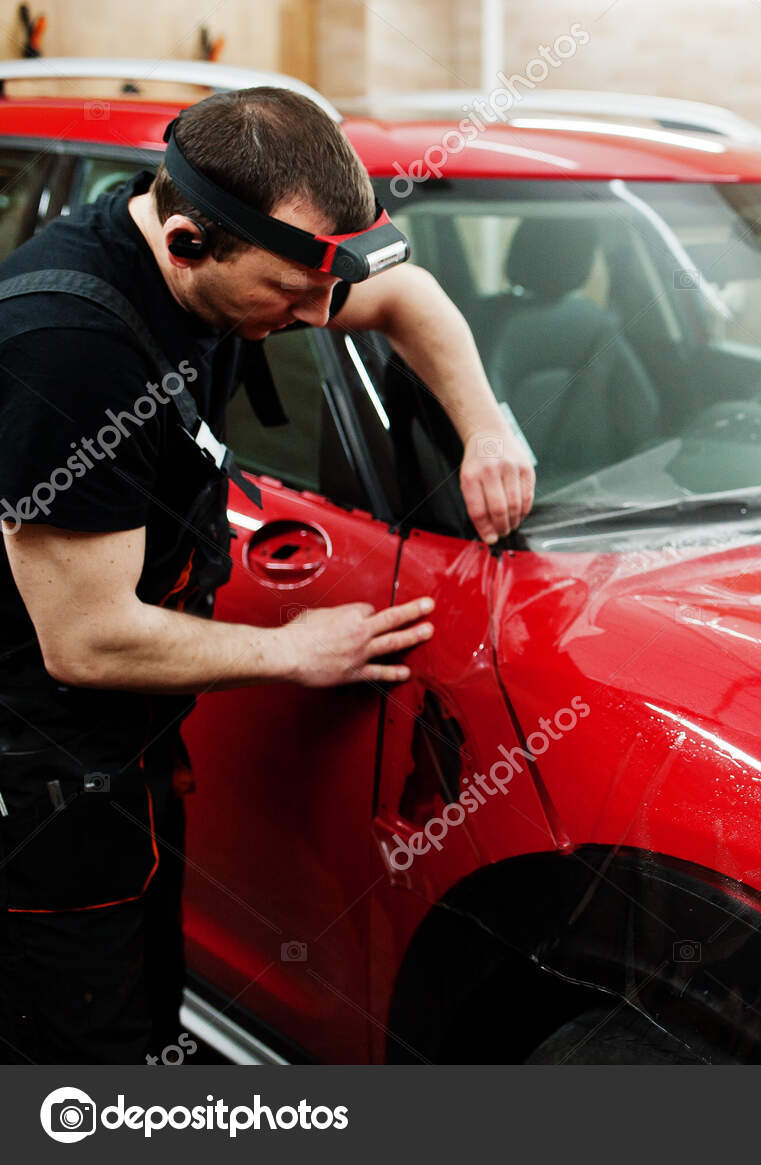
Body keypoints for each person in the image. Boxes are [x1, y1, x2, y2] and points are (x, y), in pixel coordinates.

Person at [0, 87, 534, 1064]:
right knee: (80, 1050)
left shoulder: (238, 257)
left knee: (149, 1011)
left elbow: (403, 294)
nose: (316, 317)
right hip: (39, 774)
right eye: (290, 298)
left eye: (324, 290)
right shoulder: (69, 349)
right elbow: (82, 639)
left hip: (132, 749)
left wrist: (488, 426)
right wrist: (291, 649)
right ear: (187, 242)